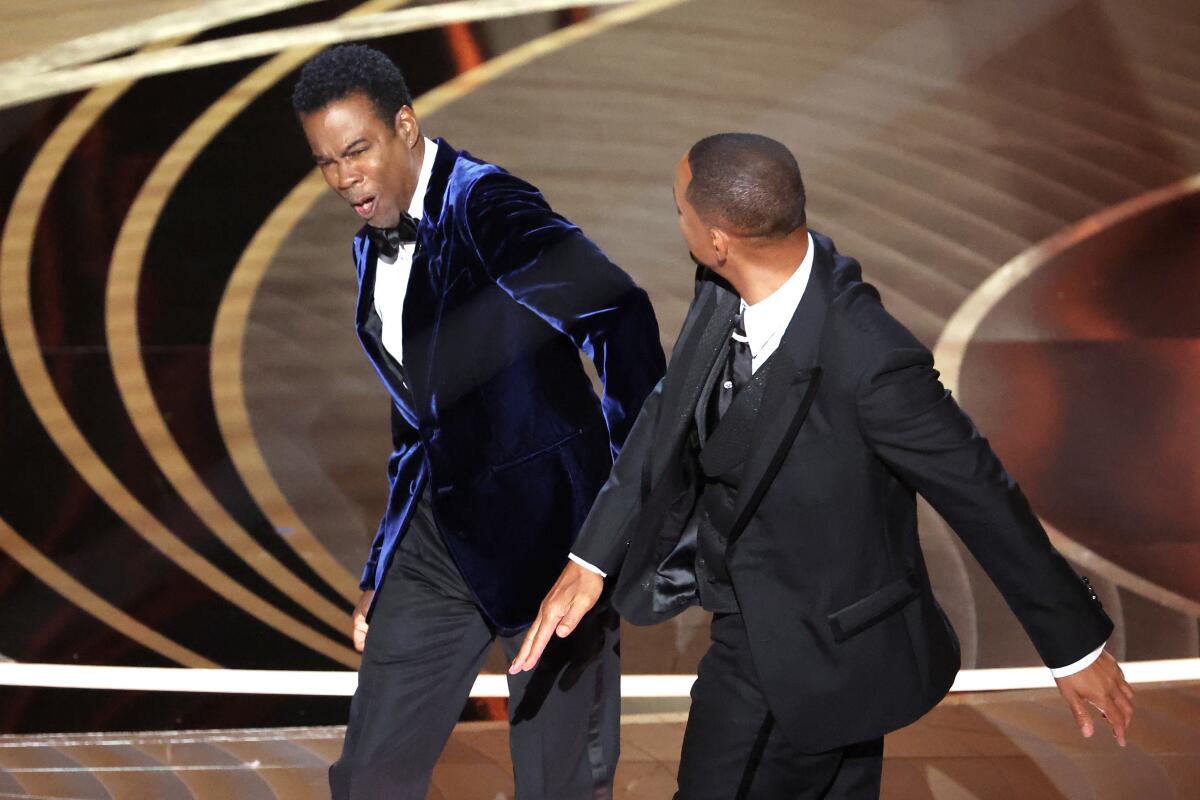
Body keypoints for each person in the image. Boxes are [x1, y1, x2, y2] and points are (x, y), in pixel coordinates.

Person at [511, 133, 1134, 799]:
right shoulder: (722, 289)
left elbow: (979, 491)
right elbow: (671, 411)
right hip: (791, 641)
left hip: (812, 650)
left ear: (719, 239)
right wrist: (592, 557)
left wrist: (1074, 645)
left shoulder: (871, 359)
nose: (680, 224)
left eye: (681, 212)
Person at [293, 44, 665, 799]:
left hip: (549, 546)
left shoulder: (488, 206)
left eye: (356, 151)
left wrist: (620, 510)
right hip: (440, 537)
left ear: (404, 125)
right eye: (326, 162)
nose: (343, 178)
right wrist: (381, 566)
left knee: (556, 784)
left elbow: (621, 315)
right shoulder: (374, 241)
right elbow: (417, 419)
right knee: (370, 777)